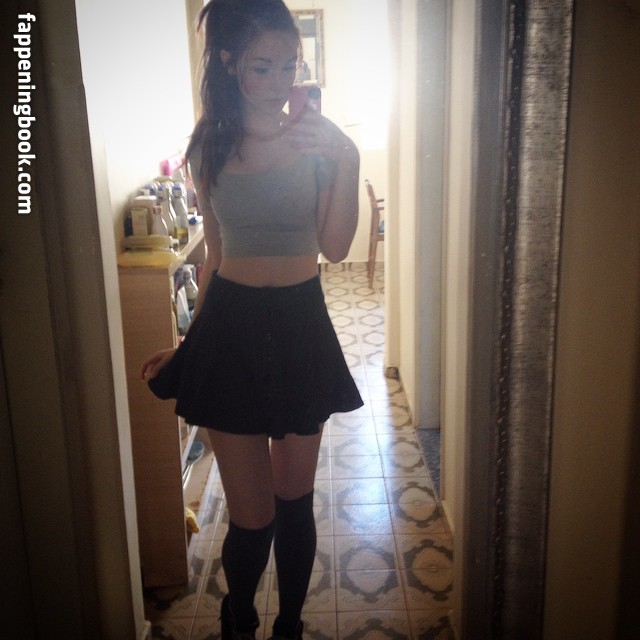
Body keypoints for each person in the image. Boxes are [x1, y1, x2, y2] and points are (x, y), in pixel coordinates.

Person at [140, 1, 363, 638]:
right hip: (230, 332)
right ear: (230, 63)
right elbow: (215, 255)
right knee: (253, 518)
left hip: (300, 328)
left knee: (294, 506)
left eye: (289, 65)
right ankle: (238, 615)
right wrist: (188, 347)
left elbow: (336, 248)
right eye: (263, 66)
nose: (279, 80)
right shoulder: (208, 146)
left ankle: (288, 625)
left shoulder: (318, 146)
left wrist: (347, 158)